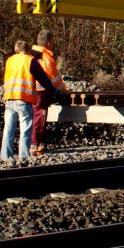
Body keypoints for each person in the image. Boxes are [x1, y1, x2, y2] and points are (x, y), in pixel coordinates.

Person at [1, 40, 63, 165]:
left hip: (9, 98)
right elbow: (43, 78)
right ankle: (23, 157)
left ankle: (6, 156)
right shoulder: (31, 60)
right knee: (25, 129)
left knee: (8, 129)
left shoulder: (10, 60)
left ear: (16, 50)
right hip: (23, 99)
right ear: (27, 50)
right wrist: (54, 90)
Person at [30, 29, 68, 157]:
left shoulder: (30, 54)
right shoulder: (46, 57)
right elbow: (55, 78)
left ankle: (36, 144)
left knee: (33, 117)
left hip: (29, 91)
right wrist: (63, 91)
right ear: (49, 43)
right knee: (40, 118)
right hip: (41, 93)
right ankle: (36, 145)